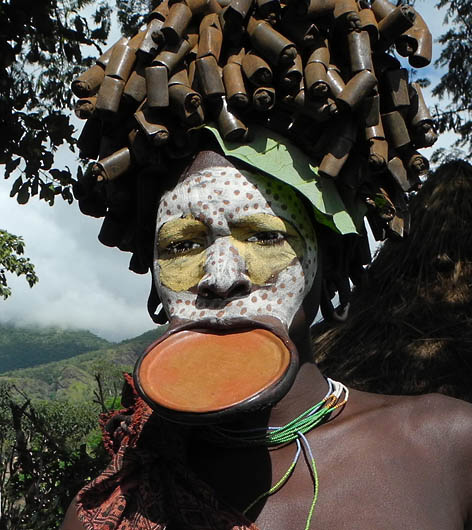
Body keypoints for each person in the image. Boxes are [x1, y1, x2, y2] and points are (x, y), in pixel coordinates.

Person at [61, 1, 472, 528]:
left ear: (326, 259)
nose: (222, 277)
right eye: (184, 246)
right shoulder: (110, 510)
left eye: (262, 235)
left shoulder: (446, 448)